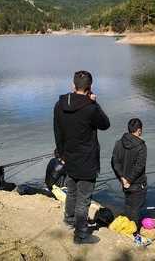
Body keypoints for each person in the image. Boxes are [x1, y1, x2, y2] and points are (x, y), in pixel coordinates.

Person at [54, 70, 110, 244]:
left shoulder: (60, 104)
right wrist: (95, 102)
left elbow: (57, 132)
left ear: (73, 86)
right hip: (87, 161)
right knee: (83, 199)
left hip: (68, 158)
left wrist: (61, 154)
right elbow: (105, 124)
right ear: (90, 87)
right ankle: (80, 235)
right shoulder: (90, 108)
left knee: (71, 191)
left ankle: (69, 219)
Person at [111, 118, 147, 227]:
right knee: (136, 209)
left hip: (124, 183)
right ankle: (134, 233)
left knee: (128, 206)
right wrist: (129, 180)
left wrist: (122, 178)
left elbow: (114, 162)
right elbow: (139, 166)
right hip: (137, 184)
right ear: (139, 130)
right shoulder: (141, 146)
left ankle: (126, 228)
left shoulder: (119, 143)